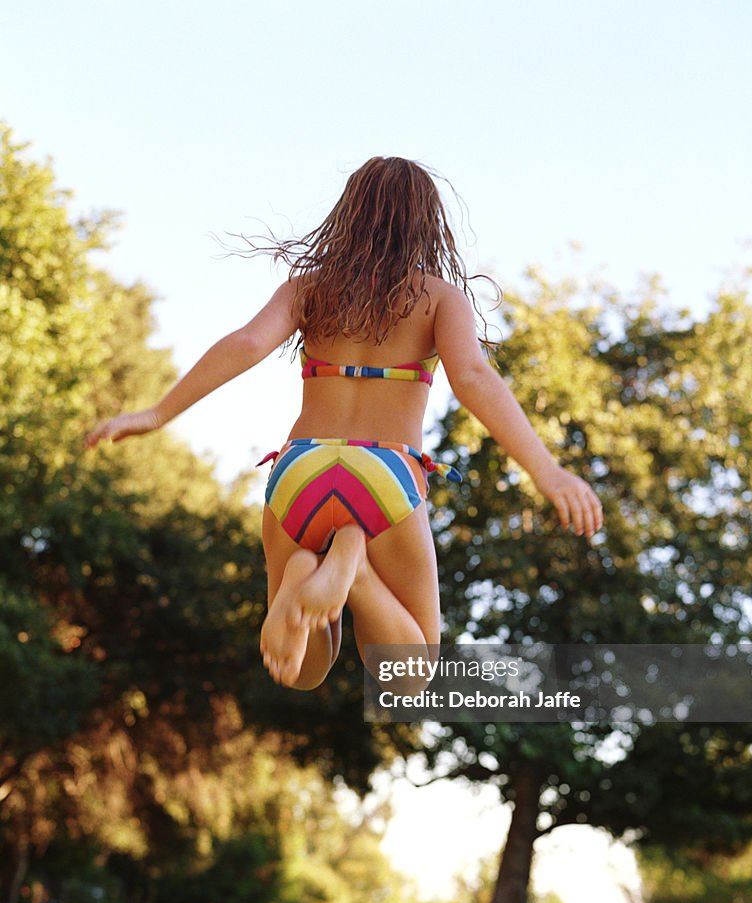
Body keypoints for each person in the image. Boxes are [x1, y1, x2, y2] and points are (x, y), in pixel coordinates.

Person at [85, 156, 603, 690]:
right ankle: (353, 571)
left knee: (301, 673)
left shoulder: (309, 289)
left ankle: (307, 572)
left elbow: (245, 344)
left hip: (299, 469)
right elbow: (471, 376)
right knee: (410, 674)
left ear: (349, 215)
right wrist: (548, 471)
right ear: (429, 224)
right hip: (384, 469)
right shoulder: (439, 299)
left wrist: (156, 413)